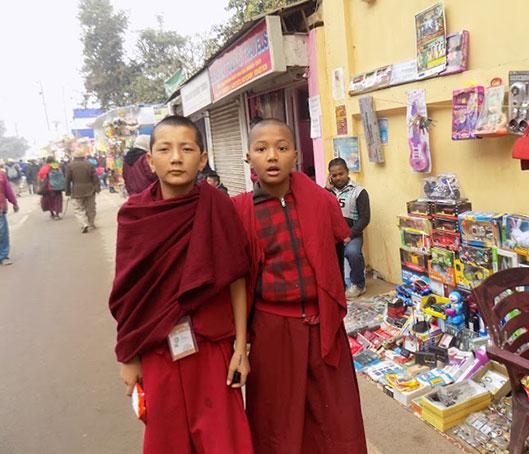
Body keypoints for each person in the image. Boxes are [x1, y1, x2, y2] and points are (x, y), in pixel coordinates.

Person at [108, 115, 253, 454]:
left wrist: (240, 348)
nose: (176, 157)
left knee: (224, 441)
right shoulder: (135, 215)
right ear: (150, 160)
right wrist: (128, 356)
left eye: (186, 149)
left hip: (212, 347)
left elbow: (236, 279)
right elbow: (127, 292)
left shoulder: (217, 205)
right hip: (158, 349)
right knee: (168, 441)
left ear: (201, 158)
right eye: (165, 149)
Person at [231, 118, 367, 454]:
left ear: (295, 154)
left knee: (335, 416)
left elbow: (333, 251)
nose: (272, 156)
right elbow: (235, 280)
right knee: (277, 420)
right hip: (272, 327)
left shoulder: (320, 202)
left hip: (322, 324)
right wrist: (238, 346)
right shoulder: (240, 211)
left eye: (281, 147)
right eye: (261, 149)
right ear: (249, 157)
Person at [327, 158, 371, 299]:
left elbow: (365, 218)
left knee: (353, 253)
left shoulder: (359, 191)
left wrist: (349, 235)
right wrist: (326, 189)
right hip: (332, 235)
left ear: (347, 172)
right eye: (334, 175)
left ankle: (359, 284)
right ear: (330, 176)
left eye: (341, 173)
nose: (338, 177)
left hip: (352, 234)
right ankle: (337, 285)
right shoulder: (327, 192)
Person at [65, 149, 100, 233]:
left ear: (74, 156)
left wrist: (67, 191)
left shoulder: (70, 166)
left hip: (76, 190)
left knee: (78, 209)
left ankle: (84, 224)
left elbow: (67, 180)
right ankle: (91, 223)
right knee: (91, 208)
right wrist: (97, 188)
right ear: (83, 156)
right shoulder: (89, 164)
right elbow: (95, 178)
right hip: (90, 189)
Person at [0, 160, 19, 266]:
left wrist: (14, 203)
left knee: (2, 233)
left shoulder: (1, 175)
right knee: (2, 233)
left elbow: (8, 191)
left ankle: (3, 256)